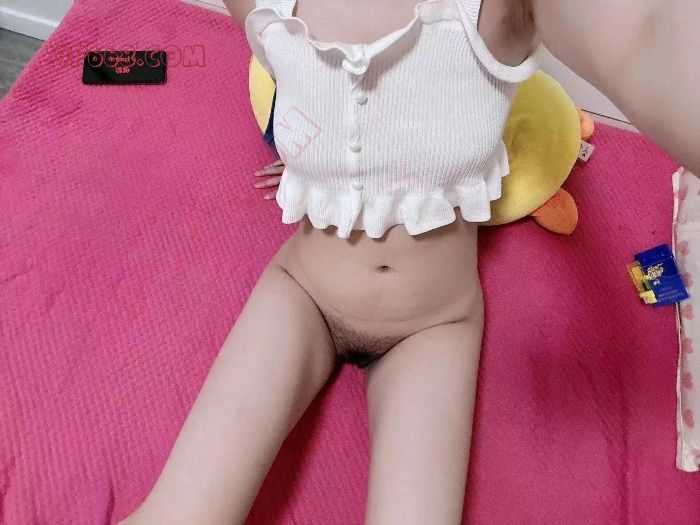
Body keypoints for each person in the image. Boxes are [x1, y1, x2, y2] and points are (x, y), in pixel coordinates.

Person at [120, 1, 699, 523]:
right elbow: (299, 84)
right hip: (303, 294)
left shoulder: (500, 11)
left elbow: (646, 36)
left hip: (432, 327)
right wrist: (316, 157)